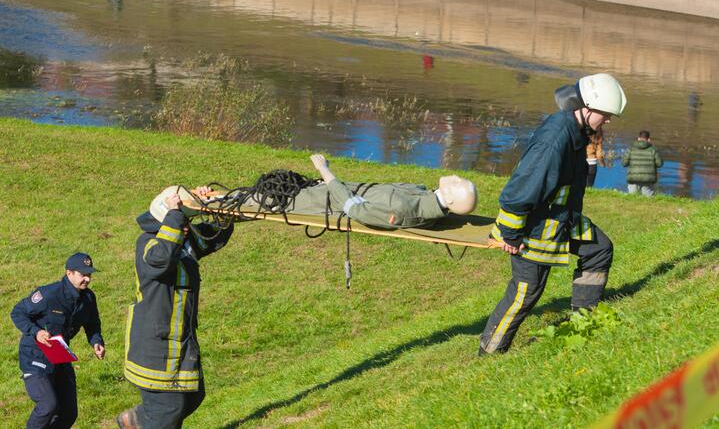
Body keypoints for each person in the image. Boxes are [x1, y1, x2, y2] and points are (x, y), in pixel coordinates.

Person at [480, 73, 626, 355]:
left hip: (562, 219)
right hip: (532, 230)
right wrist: (510, 234)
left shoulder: (575, 129)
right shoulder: (555, 140)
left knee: (599, 249)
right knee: (526, 292)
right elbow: (520, 191)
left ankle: (583, 321)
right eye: (606, 114)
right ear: (587, 107)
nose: (607, 120)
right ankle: (490, 351)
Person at [116, 186, 234, 429]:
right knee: (168, 410)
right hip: (156, 344)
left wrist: (212, 205)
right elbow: (160, 260)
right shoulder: (148, 243)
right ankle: (147, 419)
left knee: (192, 396)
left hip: (180, 341)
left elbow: (214, 238)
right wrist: (175, 214)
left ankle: (137, 420)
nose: (187, 227)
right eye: (182, 220)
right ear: (168, 218)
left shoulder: (181, 238)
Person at [236, 154, 478, 229]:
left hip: (327, 201)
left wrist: (325, 172)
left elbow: (354, 208)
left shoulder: (406, 209)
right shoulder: (424, 196)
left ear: (449, 199)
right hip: (328, 191)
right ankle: (223, 199)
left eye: (458, 183)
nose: (455, 177)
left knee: (263, 198)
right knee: (267, 189)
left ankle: (213, 202)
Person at [10, 252, 106, 428]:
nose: (87, 279)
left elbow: (93, 325)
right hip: (35, 355)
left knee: (69, 413)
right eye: (82, 274)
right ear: (69, 273)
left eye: (89, 274)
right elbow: (17, 312)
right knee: (48, 405)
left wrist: (97, 342)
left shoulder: (89, 298)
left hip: (60, 355)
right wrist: (36, 332)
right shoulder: (48, 294)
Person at [622, 130, 663, 197]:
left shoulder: (630, 149)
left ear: (638, 138)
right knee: (648, 199)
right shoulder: (653, 150)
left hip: (633, 178)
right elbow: (660, 164)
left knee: (632, 198)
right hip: (648, 179)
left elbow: (624, 163)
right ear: (649, 139)